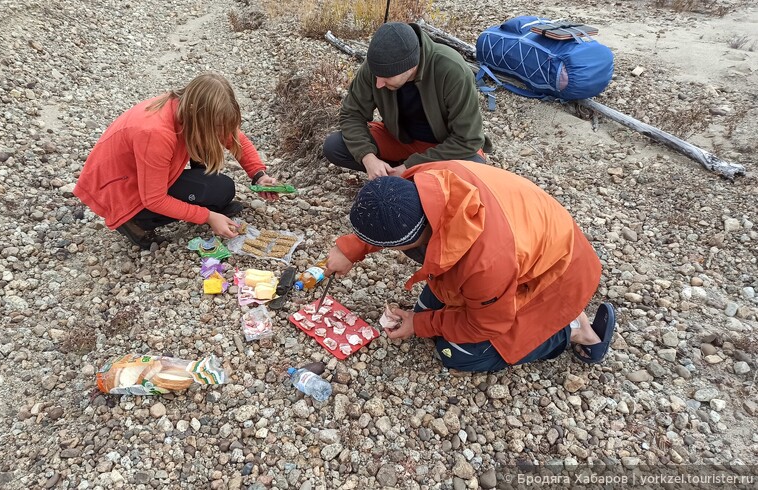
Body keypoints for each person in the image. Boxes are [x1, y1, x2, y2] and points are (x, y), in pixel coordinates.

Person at [325, 161, 616, 372]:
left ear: (407, 241)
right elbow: (390, 210)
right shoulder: (426, 181)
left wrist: (420, 323)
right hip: (537, 242)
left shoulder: (485, 262)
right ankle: (541, 311)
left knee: (459, 354)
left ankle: (574, 328)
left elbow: (485, 324)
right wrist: (352, 248)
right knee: (435, 313)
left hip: (560, 276)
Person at [73, 72, 279, 249]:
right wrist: (207, 216)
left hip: (138, 174)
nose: (220, 133)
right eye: (215, 127)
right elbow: (154, 199)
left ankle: (203, 204)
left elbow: (234, 137)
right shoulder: (156, 133)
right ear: (194, 110)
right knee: (219, 189)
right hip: (120, 192)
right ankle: (133, 221)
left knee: (220, 188)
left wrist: (258, 175)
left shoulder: (187, 108)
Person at [322, 22, 492, 180]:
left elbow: (467, 140)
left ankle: (410, 176)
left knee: (473, 170)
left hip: (446, 146)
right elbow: (352, 114)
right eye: (377, 75)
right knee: (335, 146)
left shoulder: (452, 70)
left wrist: (410, 166)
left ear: (410, 66)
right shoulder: (376, 67)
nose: (379, 83)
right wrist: (368, 158)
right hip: (401, 141)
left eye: (386, 77)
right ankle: (399, 175)